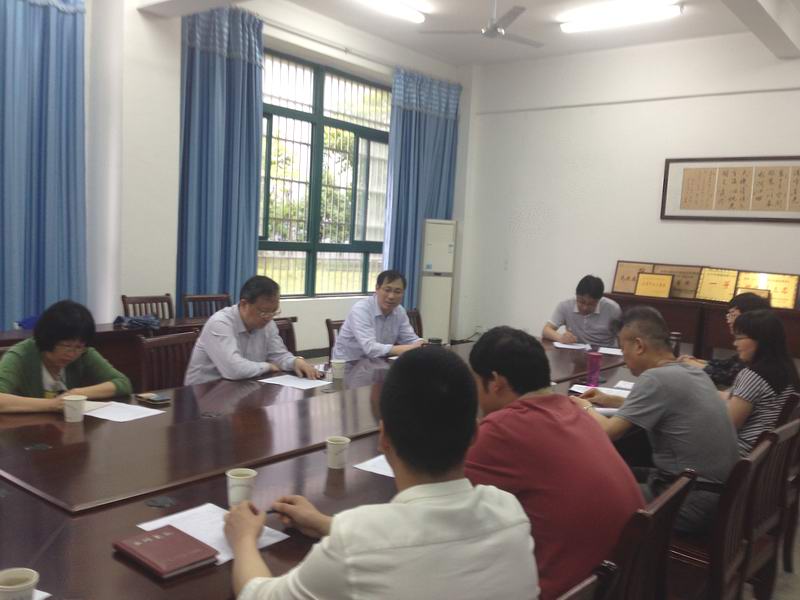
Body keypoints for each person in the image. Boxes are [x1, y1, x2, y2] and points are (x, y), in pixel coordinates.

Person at [224, 346, 540, 600]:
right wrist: (325, 524)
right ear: (475, 434)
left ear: (384, 437)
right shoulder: (510, 513)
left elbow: (258, 595)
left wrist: (243, 539)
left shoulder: (356, 543)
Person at [464, 326, 643, 599]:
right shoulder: (574, 410)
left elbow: (448, 498)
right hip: (619, 579)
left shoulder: (503, 428)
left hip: (570, 589)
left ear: (496, 381)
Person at [572, 306, 739, 533]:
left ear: (639, 345)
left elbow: (609, 432)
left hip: (688, 501)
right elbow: (666, 405)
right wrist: (610, 400)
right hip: (715, 495)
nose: (623, 357)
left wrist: (584, 406)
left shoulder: (656, 378)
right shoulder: (691, 371)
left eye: (623, 349)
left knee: (589, 493)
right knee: (611, 472)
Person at [0, 300, 132, 413]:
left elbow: (123, 383)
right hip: (25, 430)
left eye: (79, 347)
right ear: (48, 339)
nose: (72, 354)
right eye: (66, 345)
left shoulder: (84, 353)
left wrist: (78, 393)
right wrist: (52, 405)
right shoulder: (20, 355)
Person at [184, 276, 319, 385]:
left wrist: (295, 361)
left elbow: (278, 356)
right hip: (202, 395)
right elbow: (233, 370)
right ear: (244, 304)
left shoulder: (268, 323)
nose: (269, 318)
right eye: (264, 312)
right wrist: (268, 366)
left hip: (241, 388)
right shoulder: (220, 323)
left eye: (274, 312)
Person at [723, 309, 800, 455]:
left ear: (760, 340)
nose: (735, 343)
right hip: (765, 457)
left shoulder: (753, 376)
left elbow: (728, 426)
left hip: (740, 456)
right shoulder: (788, 370)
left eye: (739, 337)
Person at [678, 292, 771, 387]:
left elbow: (727, 377)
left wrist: (691, 363)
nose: (728, 320)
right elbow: (727, 364)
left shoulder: (755, 345)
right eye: (728, 315)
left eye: (733, 315)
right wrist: (696, 361)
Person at [332, 270, 423, 361]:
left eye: (397, 292)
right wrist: (408, 348)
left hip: (378, 362)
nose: (391, 296)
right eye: (387, 290)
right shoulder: (361, 309)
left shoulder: (399, 311)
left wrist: (422, 344)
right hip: (348, 364)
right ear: (377, 288)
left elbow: (410, 339)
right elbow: (370, 348)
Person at [542, 275, 621, 347]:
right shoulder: (565, 306)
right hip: (576, 351)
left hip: (605, 352)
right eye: (581, 302)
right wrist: (561, 338)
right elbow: (546, 330)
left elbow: (622, 336)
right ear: (576, 295)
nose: (585, 308)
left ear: (599, 300)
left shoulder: (613, 309)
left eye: (591, 304)